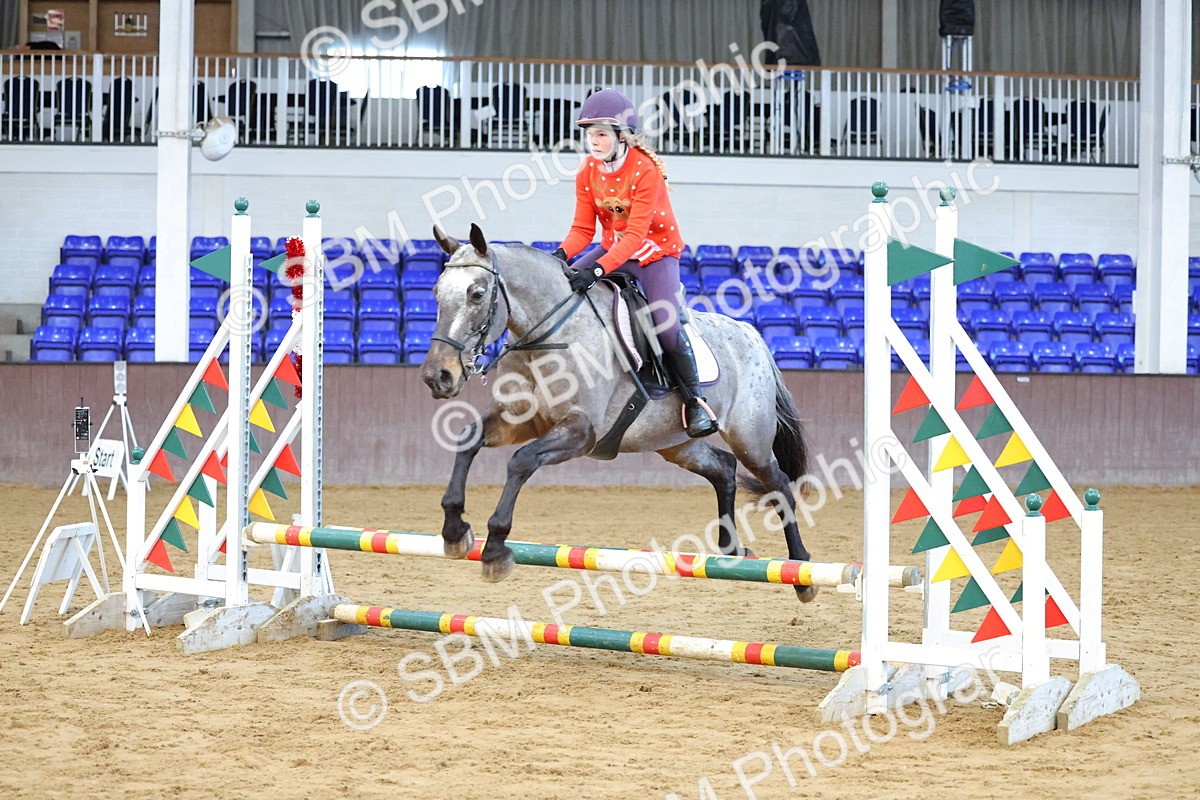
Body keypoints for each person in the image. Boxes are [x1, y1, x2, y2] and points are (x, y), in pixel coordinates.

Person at [554, 88, 717, 438]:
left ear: (621, 135)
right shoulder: (587, 172)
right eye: (589, 134)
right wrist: (561, 257)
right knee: (566, 288)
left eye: (601, 134)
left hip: (654, 254)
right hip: (615, 249)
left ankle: (695, 403)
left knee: (666, 326)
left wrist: (596, 270)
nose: (593, 142)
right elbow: (583, 229)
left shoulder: (644, 171)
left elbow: (635, 235)